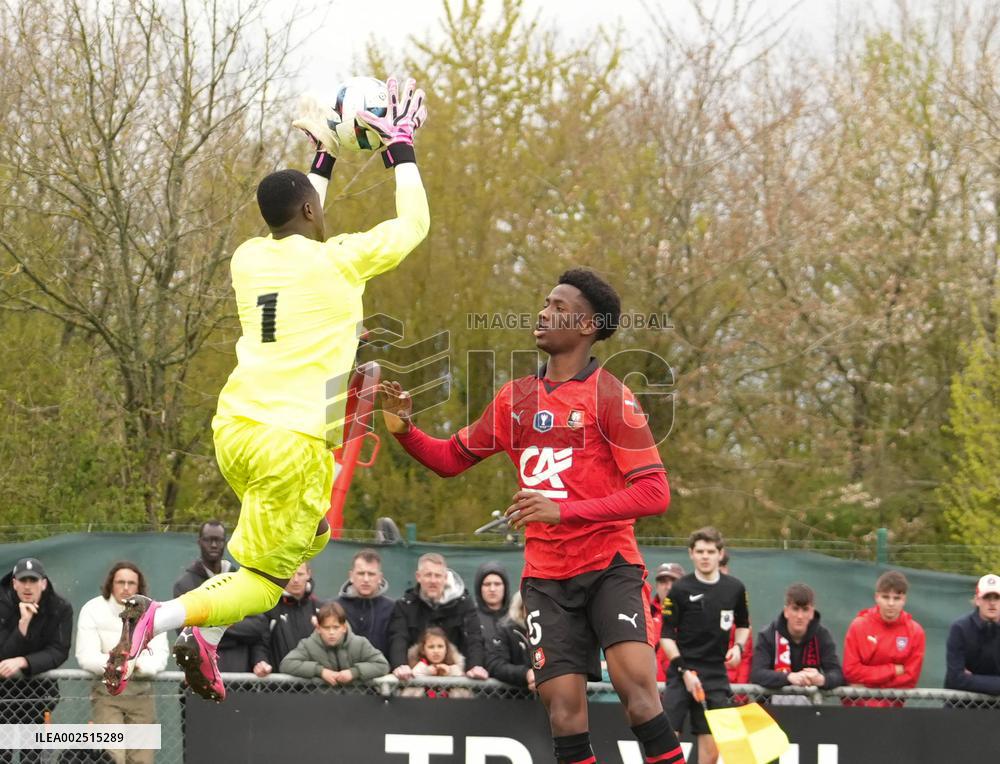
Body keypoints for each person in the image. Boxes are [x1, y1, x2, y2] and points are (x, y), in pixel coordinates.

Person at [102, 77, 429, 703]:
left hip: (236, 431)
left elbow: (297, 213)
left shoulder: (249, 257)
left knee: (313, 535)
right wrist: (400, 148)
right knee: (266, 583)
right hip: (292, 441)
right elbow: (413, 222)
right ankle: (159, 619)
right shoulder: (341, 259)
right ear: (312, 212)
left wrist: (324, 159)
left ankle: (207, 635)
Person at [381, 269, 683, 764]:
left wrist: (563, 511)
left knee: (639, 698)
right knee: (564, 713)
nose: (544, 312)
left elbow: (655, 492)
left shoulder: (612, 396)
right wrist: (403, 428)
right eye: (545, 303)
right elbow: (449, 459)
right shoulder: (514, 398)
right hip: (546, 577)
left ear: (588, 326)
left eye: (559, 307)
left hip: (610, 566)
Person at [661, 528, 749, 764]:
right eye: (700, 551)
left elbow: (743, 625)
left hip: (715, 675)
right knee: (666, 747)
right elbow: (666, 636)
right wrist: (684, 671)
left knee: (711, 754)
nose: (705, 556)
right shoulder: (679, 588)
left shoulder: (735, 588)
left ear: (720, 554)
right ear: (691, 553)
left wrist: (738, 647)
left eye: (711, 551)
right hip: (681, 674)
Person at [75, 562, 169, 764]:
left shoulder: (155, 614)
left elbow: (159, 657)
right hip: (106, 696)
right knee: (112, 757)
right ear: (111, 585)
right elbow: (86, 656)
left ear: (139, 587)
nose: (126, 587)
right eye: (120, 582)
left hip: (142, 696)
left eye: (131, 583)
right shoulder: (92, 609)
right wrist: (118, 666)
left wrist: (135, 666)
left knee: (142, 760)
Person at [172, 521, 272, 676]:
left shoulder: (241, 581)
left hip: (242, 679)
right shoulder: (184, 585)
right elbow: (190, 634)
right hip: (200, 678)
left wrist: (214, 623)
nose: (213, 545)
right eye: (208, 539)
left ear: (225, 543)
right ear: (199, 542)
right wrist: (237, 626)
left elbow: (258, 626)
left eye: (218, 540)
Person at [0, 558, 73, 764]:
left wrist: (24, 661)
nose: (28, 586)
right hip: (1, 695)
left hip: (37, 697)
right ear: (14, 583)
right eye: (23, 581)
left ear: (44, 583)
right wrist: (23, 625)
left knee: (32, 758)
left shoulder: (60, 608)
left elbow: (59, 650)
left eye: (33, 580)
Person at [387, 553, 487, 680]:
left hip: (455, 680)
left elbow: (474, 638)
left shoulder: (464, 604)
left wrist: (475, 666)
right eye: (428, 575)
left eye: (438, 575)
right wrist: (400, 665)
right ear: (418, 577)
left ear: (445, 578)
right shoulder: (405, 605)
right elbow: (398, 637)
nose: (433, 581)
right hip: (416, 680)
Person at [842, 570, 925, 707]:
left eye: (896, 598)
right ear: (877, 597)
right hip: (856, 710)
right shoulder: (859, 626)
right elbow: (850, 671)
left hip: (892, 713)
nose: (891, 603)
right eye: (886, 597)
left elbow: (910, 679)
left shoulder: (916, 632)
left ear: (904, 599)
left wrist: (868, 685)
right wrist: (893, 670)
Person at [750, 583, 843, 705]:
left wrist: (821, 679)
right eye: (795, 609)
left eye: (805, 610)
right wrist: (788, 678)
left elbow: (837, 674)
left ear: (812, 613)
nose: (800, 616)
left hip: (810, 708)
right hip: (770, 708)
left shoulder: (822, 636)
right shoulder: (768, 635)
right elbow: (757, 674)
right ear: (786, 611)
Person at [279, 601, 388, 686]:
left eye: (336, 627)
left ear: (344, 628)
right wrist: (320, 671)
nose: (331, 632)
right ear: (318, 628)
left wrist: (354, 672)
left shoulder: (360, 643)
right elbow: (286, 664)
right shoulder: (308, 645)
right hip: (321, 703)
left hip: (356, 702)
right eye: (326, 628)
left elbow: (382, 665)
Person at [944, 573, 1000, 695]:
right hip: (960, 707)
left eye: (997, 597)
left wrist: (970, 679)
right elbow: (955, 679)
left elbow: (962, 680)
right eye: (987, 597)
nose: (992, 603)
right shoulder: (959, 628)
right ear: (977, 600)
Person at [336, 549, 395, 657]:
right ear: (351, 576)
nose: (366, 579)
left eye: (371, 574)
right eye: (361, 573)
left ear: (380, 578)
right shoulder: (334, 608)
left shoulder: (393, 609)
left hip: (383, 672)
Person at [263, 562, 321, 668]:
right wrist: (261, 662)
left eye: (300, 574)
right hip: (277, 681)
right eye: (290, 574)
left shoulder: (319, 608)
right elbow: (261, 644)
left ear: (309, 574)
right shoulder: (269, 607)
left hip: (313, 681)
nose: (295, 580)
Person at [400, 626, 471, 699]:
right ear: (423, 650)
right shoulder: (417, 665)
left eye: (440, 646)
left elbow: (464, 692)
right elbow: (409, 691)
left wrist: (450, 672)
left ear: (446, 649)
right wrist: (426, 672)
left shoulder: (454, 665)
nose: (436, 651)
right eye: (431, 647)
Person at [486, 591, 535, 694]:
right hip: (511, 699)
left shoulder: (551, 632)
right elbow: (495, 665)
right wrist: (526, 674)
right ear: (520, 608)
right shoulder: (505, 630)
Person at [651, 563, 684, 682]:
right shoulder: (645, 614)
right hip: (649, 689)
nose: (668, 587)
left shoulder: (692, 615)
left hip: (681, 686)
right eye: (663, 581)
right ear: (657, 586)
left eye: (674, 581)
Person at [474, 561, 511, 650]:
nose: (492, 589)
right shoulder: (471, 617)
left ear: (505, 587)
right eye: (487, 584)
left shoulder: (516, 616)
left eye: (497, 584)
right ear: (479, 588)